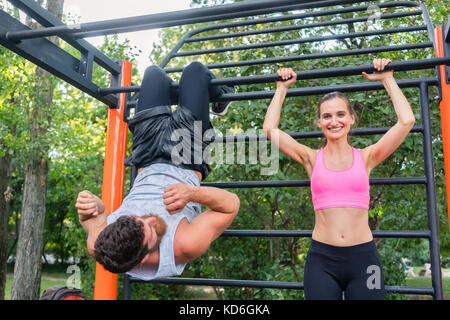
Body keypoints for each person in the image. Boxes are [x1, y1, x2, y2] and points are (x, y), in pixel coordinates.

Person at [263, 58, 415, 300]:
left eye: (341, 114)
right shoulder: (310, 158)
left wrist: (387, 79)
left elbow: (407, 121)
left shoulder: (367, 157)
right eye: (327, 116)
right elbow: (270, 129)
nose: (334, 121)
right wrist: (282, 88)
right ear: (319, 122)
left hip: (364, 258)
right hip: (321, 260)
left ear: (352, 118)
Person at [76, 62, 239, 280]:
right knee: (194, 71)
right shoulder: (183, 245)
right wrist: (191, 193)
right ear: (143, 260)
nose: (151, 219)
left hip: (146, 156)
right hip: (187, 158)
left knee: (154, 75)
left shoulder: (100, 244)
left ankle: (187, 95)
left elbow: (94, 219)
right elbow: (231, 206)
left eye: (138, 219)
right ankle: (219, 98)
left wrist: (93, 207)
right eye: (150, 231)